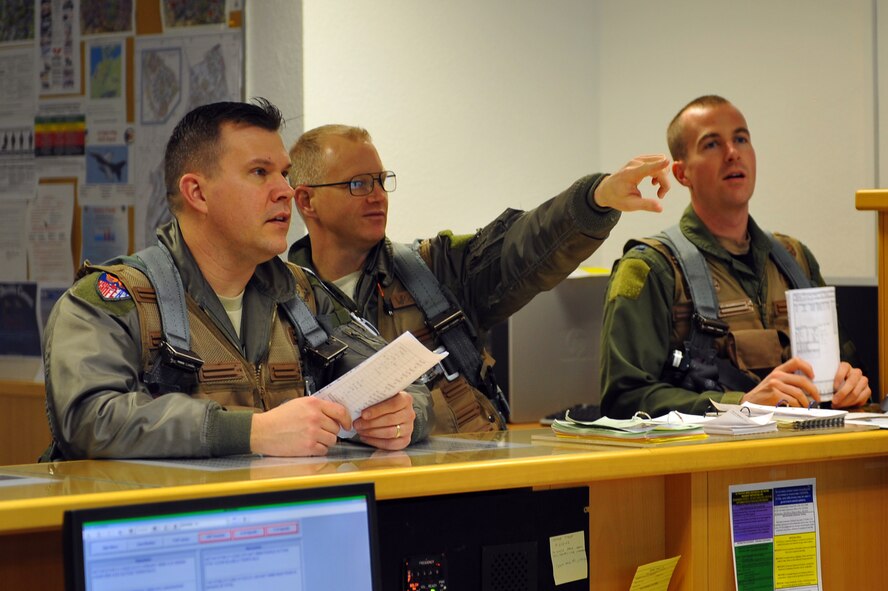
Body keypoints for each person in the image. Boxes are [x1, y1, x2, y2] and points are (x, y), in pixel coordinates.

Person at [43, 99, 432, 460]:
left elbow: (405, 380)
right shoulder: (112, 301)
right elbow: (89, 418)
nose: (284, 191)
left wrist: (404, 415)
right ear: (197, 192)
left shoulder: (302, 296)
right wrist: (251, 432)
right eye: (260, 172)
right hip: (164, 528)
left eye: (284, 173)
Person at [287, 124, 671, 433]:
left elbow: (521, 247)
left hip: (462, 488)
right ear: (307, 201)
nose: (377, 196)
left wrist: (595, 199)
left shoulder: (434, 271)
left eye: (381, 180)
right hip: (356, 499)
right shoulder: (280, 303)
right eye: (358, 184)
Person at [599, 95, 871, 419]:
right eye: (712, 145)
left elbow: (847, 365)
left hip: (810, 455)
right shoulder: (650, 268)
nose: (732, 153)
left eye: (741, 139)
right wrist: (740, 404)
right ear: (682, 173)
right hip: (706, 464)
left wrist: (850, 382)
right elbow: (624, 399)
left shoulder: (796, 260)